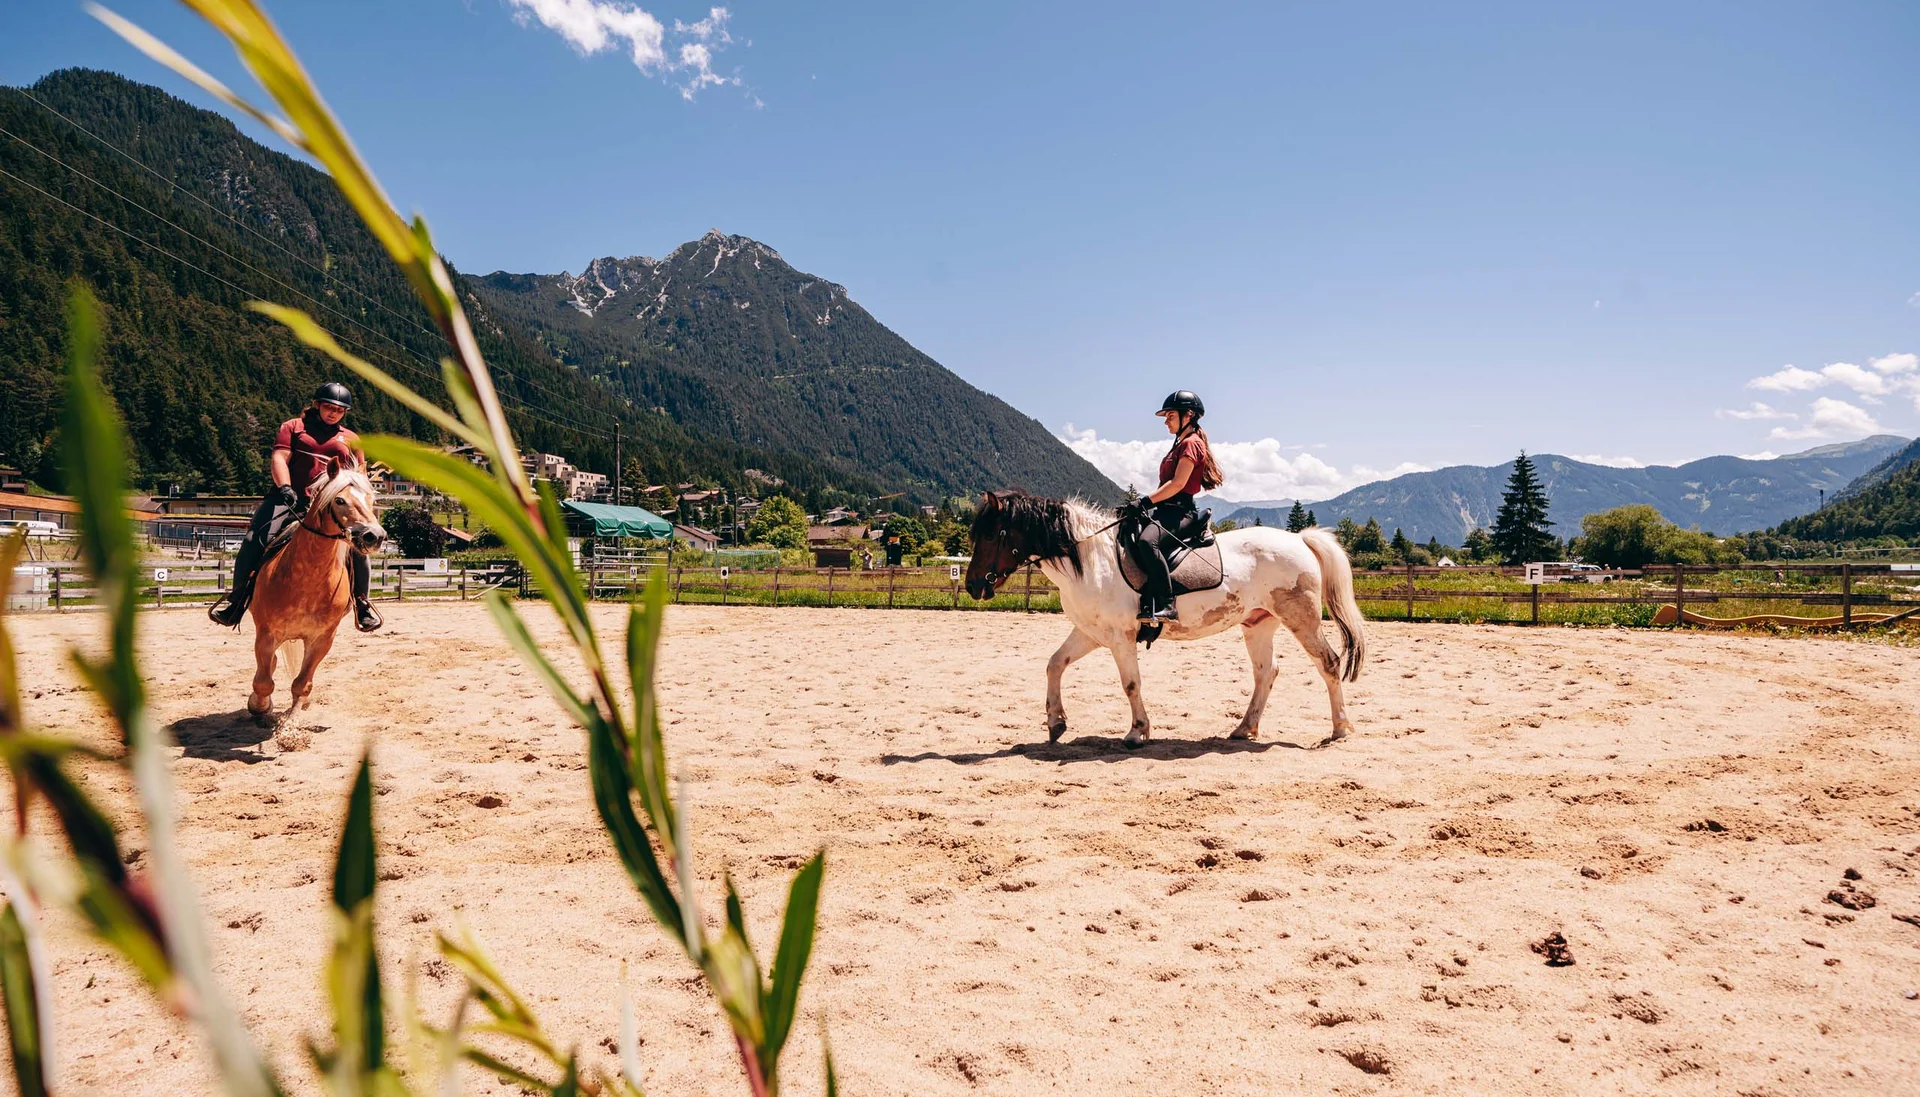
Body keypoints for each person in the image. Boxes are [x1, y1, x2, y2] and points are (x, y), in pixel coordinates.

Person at [208, 382, 383, 632]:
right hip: (290, 499)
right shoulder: (293, 428)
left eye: (340, 410)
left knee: (359, 549)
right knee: (252, 538)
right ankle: (236, 601)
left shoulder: (352, 438)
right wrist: (285, 488)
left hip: (333, 507)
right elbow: (280, 457)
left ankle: (361, 603)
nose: (333, 413)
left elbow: (359, 474)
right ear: (317, 405)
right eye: (328, 407)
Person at [1121, 390, 1225, 623]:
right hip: (1165, 511)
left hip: (1180, 512)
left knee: (1148, 542)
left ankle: (1168, 603)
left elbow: (1178, 484)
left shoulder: (1191, 444)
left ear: (1188, 415)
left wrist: (1145, 501)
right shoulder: (1179, 444)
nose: (1166, 421)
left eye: (1170, 416)